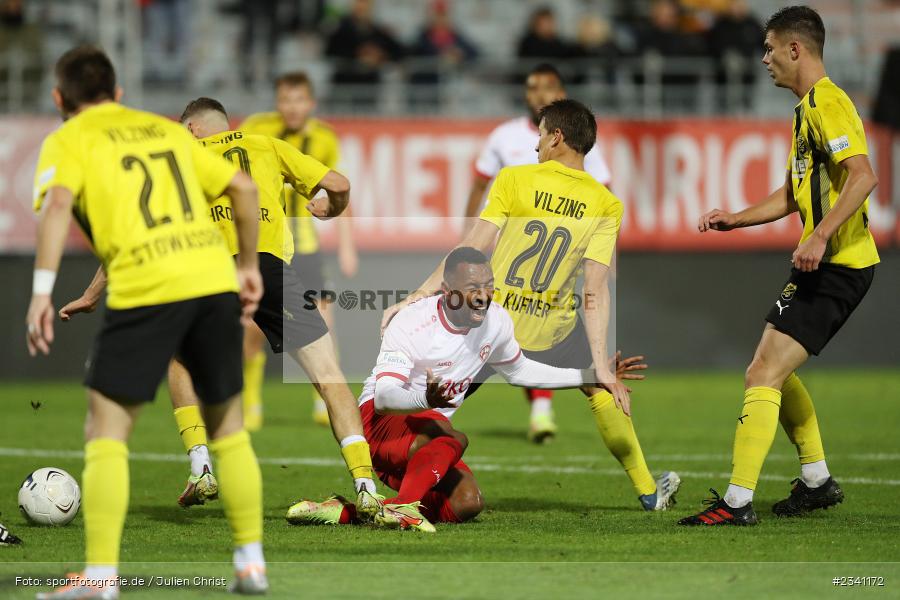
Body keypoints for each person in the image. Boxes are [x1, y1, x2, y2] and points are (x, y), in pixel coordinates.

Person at [60, 97, 383, 522]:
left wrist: (91, 294)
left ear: (191, 129)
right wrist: (330, 209)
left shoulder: (180, 157)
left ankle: (201, 467)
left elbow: (134, 233)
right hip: (269, 269)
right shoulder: (266, 144)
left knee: (181, 360)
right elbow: (338, 184)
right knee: (329, 374)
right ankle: (366, 487)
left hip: (208, 273)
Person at [27, 46, 267, 596]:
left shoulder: (69, 138)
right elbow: (244, 187)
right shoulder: (165, 131)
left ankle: (100, 579)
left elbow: (58, 204)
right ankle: (251, 564)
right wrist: (250, 267)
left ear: (58, 98)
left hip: (146, 285)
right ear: (118, 93)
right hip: (211, 279)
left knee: (105, 432)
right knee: (229, 429)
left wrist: (41, 291)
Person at [386, 99, 680, 512]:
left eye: (540, 135)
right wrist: (599, 363)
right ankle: (649, 492)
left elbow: (472, 247)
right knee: (599, 389)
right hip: (553, 332)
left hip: (490, 325)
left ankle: (381, 484)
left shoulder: (515, 179)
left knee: (422, 399)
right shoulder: (606, 204)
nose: (536, 144)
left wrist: (418, 295)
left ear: (557, 137)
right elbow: (595, 289)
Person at [679, 6, 879, 527]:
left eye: (770, 49)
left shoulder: (828, 102)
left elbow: (863, 176)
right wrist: (737, 218)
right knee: (770, 371)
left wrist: (820, 234)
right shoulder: (805, 110)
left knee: (763, 373)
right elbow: (794, 193)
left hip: (839, 263)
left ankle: (736, 503)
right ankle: (816, 480)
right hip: (824, 263)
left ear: (796, 49)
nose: (764, 59)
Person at [287, 247, 649, 531]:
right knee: (453, 437)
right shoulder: (413, 322)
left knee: (467, 502)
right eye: (473, 288)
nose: (483, 295)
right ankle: (403, 507)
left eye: (488, 285)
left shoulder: (496, 322)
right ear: (447, 292)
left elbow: (520, 370)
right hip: (379, 426)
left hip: (426, 442)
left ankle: (348, 511)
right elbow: (383, 398)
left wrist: (591, 376)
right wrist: (424, 398)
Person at [464, 63, 612, 444]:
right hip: (506, 247)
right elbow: (479, 185)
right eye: (532, 87)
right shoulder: (503, 136)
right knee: (523, 335)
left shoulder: (578, 146)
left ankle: (540, 409)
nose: (538, 94)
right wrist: (469, 235)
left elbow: (601, 196)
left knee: (533, 330)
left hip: (554, 255)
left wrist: (604, 256)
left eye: (546, 87)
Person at [240, 72, 358, 429]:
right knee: (252, 327)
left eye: (299, 100)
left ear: (311, 103)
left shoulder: (323, 137)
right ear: (277, 102)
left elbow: (339, 189)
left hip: (305, 245)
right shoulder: (257, 129)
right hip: (267, 242)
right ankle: (251, 402)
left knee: (323, 321)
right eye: (285, 100)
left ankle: (323, 401)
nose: (292, 107)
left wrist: (347, 247)